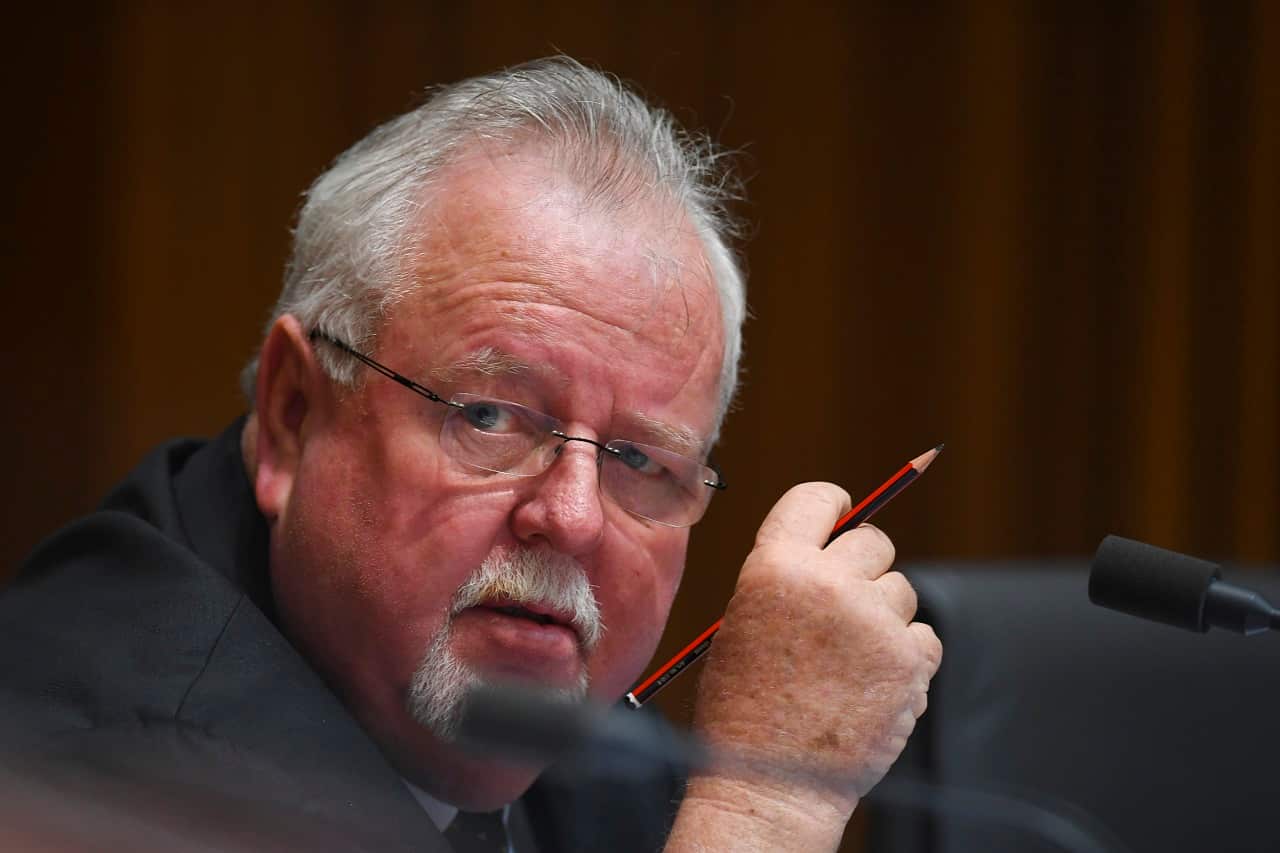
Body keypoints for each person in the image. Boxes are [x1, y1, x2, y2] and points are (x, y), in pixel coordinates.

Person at [0, 57, 940, 852]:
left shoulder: (529, 721)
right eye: (490, 416)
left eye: (639, 460)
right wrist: (761, 809)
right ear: (292, 414)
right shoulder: (122, 772)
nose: (570, 516)